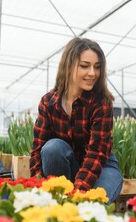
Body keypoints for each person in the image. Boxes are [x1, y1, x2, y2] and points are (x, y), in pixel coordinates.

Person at [30, 37, 123, 203]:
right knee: (52, 148)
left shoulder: (101, 102)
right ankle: (57, 202)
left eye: (97, 67)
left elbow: (97, 154)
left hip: (101, 167)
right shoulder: (48, 102)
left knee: (93, 204)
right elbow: (37, 150)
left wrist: (77, 195)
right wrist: (38, 189)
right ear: (69, 65)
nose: (92, 73)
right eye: (85, 66)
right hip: (65, 165)